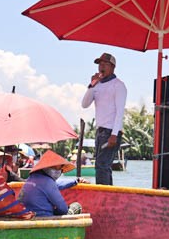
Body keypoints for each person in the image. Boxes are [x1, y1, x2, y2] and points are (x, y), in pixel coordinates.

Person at [81, 52, 127, 185]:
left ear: (112, 67)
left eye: (104, 64)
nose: (101, 67)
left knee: (102, 165)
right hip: (100, 131)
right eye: (99, 64)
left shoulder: (118, 85)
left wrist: (114, 134)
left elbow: (120, 112)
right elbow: (84, 104)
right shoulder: (97, 85)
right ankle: (108, 194)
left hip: (111, 131)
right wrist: (91, 85)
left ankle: (105, 195)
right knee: (101, 166)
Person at [18, 151, 81, 217]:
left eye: (59, 169)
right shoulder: (48, 182)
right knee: (76, 206)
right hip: (43, 218)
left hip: (27, 216)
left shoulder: (32, 178)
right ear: (46, 168)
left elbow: (56, 185)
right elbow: (63, 209)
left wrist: (76, 181)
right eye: (54, 168)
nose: (57, 171)